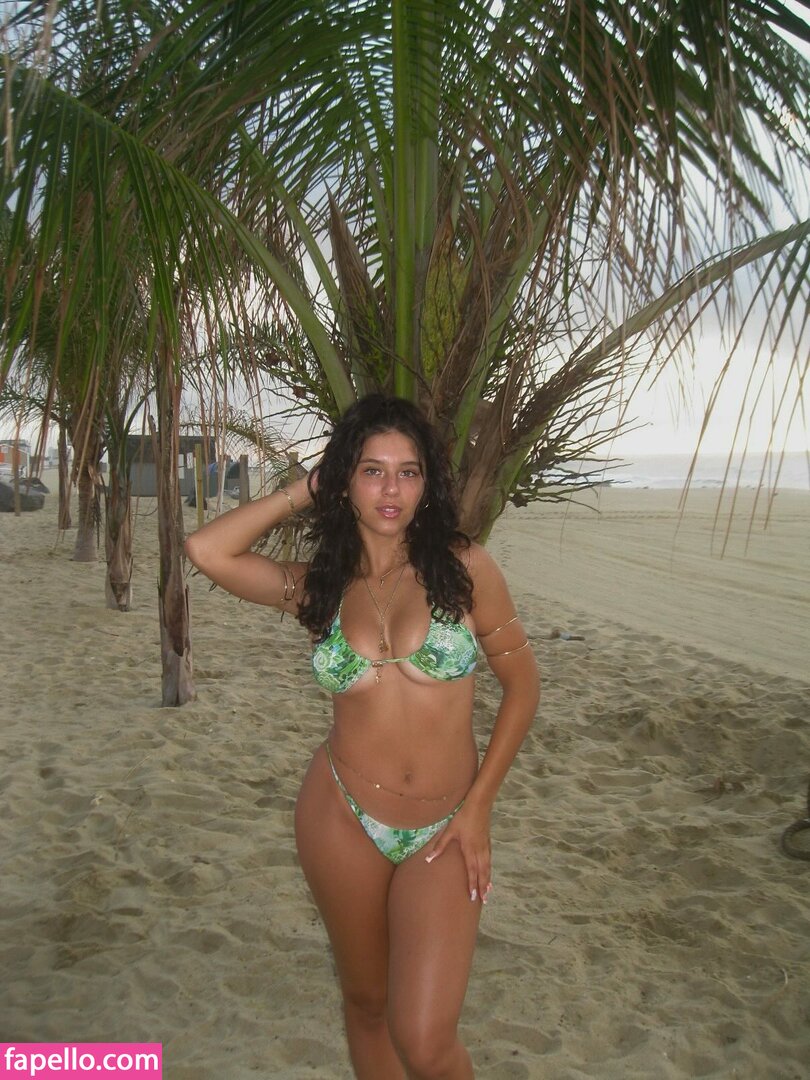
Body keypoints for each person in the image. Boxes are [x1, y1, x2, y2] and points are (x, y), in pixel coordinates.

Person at [185, 394, 540, 1079]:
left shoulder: (464, 570)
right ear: (344, 480)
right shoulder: (318, 588)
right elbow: (206, 550)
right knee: (368, 1003)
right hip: (341, 813)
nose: (391, 490)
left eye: (408, 472)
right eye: (372, 470)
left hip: (446, 823)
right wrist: (305, 489)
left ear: (427, 484)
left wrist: (478, 809)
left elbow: (523, 689)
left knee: (425, 1039)